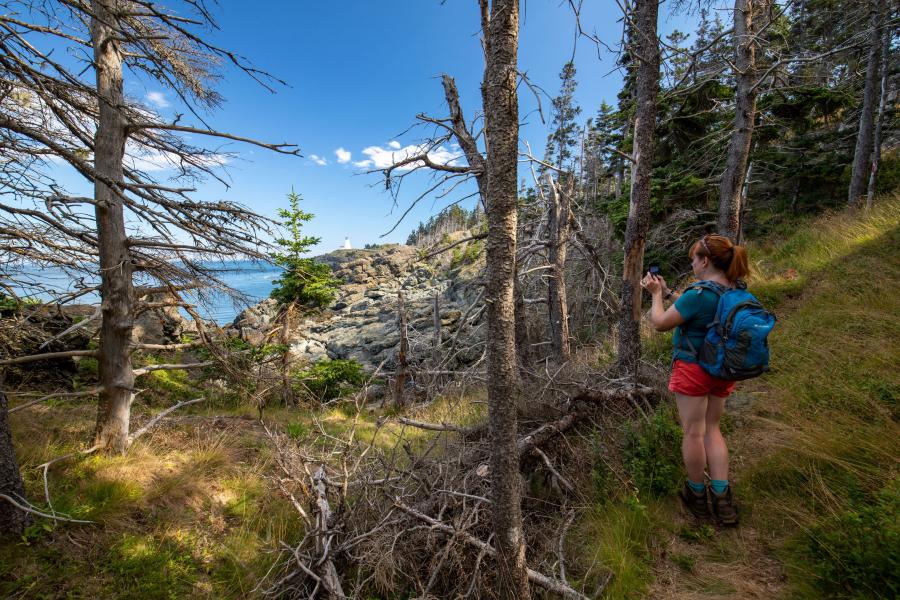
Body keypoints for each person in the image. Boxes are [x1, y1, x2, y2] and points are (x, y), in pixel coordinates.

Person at [640, 234, 750, 525]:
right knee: (712, 429)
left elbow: (661, 323)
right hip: (722, 369)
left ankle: (697, 496)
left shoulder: (699, 293)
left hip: (693, 368)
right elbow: (695, 310)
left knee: (693, 432)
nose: (691, 263)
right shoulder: (733, 289)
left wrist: (653, 295)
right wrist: (667, 293)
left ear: (705, 261)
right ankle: (723, 500)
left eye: (694, 258)